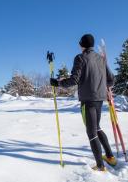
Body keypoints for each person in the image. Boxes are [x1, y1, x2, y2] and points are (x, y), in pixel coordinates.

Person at [50, 34, 117, 172]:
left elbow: (74, 80)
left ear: (82, 44)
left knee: (91, 132)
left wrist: (58, 83)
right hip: (99, 99)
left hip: (88, 100)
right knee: (97, 127)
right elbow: (111, 80)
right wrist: (101, 86)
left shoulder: (80, 58)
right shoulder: (101, 59)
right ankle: (110, 157)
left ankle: (100, 166)